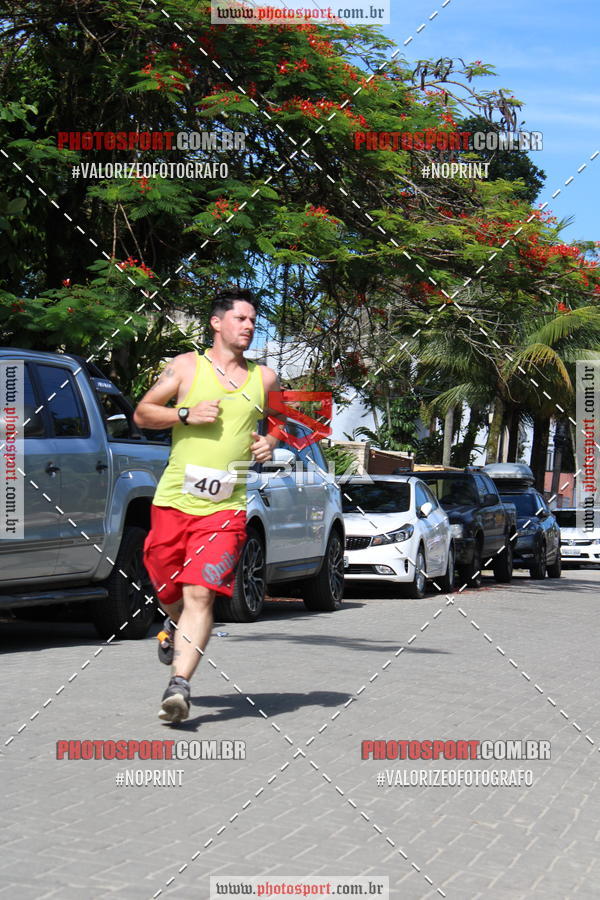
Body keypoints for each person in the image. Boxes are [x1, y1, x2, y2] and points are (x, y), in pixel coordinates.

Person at [133, 289, 280, 723]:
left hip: (226, 509)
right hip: (174, 502)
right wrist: (184, 414)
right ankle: (172, 627)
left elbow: (281, 421)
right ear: (217, 323)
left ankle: (179, 686)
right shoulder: (186, 367)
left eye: (254, 320)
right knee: (168, 589)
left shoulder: (264, 378)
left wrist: (269, 440)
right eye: (240, 318)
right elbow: (142, 413)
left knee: (200, 593)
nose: (249, 326)